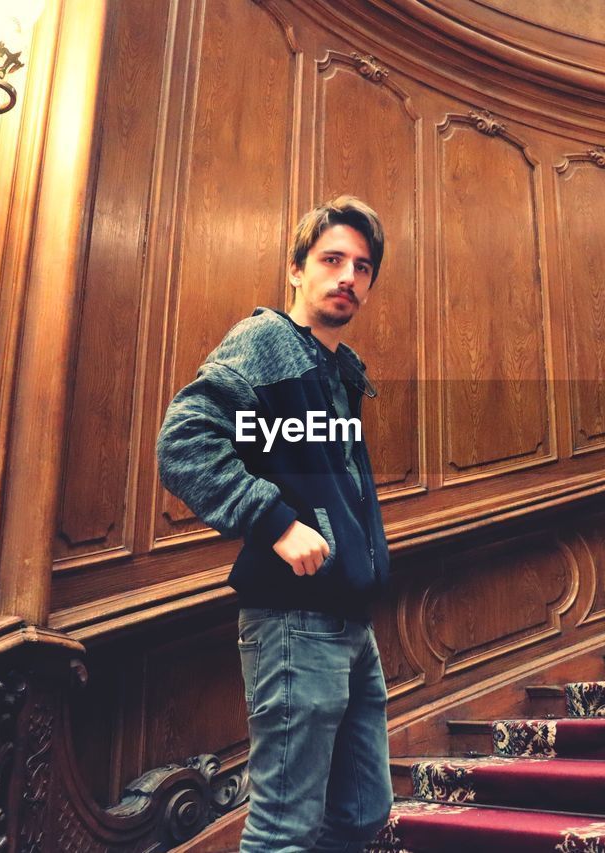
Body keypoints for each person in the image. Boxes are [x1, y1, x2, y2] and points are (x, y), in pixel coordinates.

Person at [157, 196, 393, 852]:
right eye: (331, 259)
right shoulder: (265, 342)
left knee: (360, 810)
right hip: (294, 621)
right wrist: (275, 520)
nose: (348, 275)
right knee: (284, 830)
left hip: (348, 620)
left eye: (362, 266)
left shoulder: (339, 373)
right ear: (295, 270)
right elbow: (184, 443)